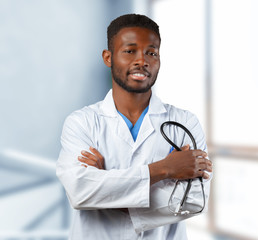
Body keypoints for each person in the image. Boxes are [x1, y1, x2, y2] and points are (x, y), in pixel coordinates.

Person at [56, 13, 212, 239]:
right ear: (108, 58)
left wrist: (106, 186)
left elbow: (194, 199)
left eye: (152, 52)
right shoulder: (82, 123)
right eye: (130, 51)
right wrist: (165, 169)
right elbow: (80, 191)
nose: (142, 60)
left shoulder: (184, 122)